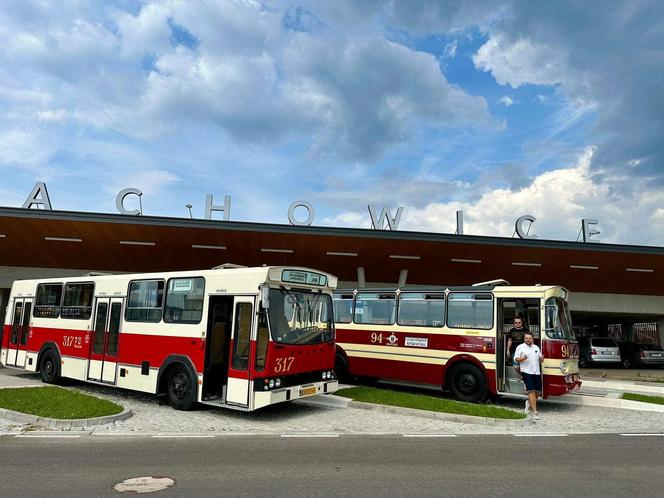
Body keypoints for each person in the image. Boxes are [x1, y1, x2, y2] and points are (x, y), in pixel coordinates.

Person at [514, 331, 544, 420]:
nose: (528, 339)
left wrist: (541, 359)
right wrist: (522, 359)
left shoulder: (536, 348)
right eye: (526, 338)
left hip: (536, 372)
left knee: (538, 391)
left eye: (529, 338)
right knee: (531, 391)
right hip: (526, 372)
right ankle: (535, 412)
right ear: (524, 339)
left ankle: (528, 403)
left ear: (532, 339)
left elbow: (540, 360)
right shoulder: (520, 347)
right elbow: (516, 359)